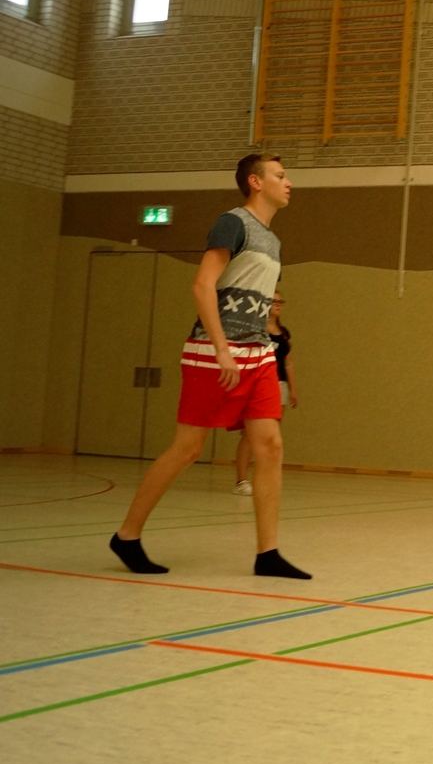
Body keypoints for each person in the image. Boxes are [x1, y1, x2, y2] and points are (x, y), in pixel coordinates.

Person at [109, 154, 311, 580]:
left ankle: (268, 553)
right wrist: (221, 348)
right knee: (188, 449)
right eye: (280, 175)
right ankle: (127, 535)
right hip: (213, 351)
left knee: (270, 448)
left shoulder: (273, 241)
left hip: (258, 354)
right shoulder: (232, 223)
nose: (288, 182)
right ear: (256, 182)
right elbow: (202, 285)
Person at [233, 292, 297, 496]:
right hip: (259, 384)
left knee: (272, 434)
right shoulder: (256, 330)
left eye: (281, 301)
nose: (278, 305)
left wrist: (292, 389)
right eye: (273, 301)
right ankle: (241, 480)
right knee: (250, 434)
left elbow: (288, 362)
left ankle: (266, 478)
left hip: (280, 385)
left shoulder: (284, 333)